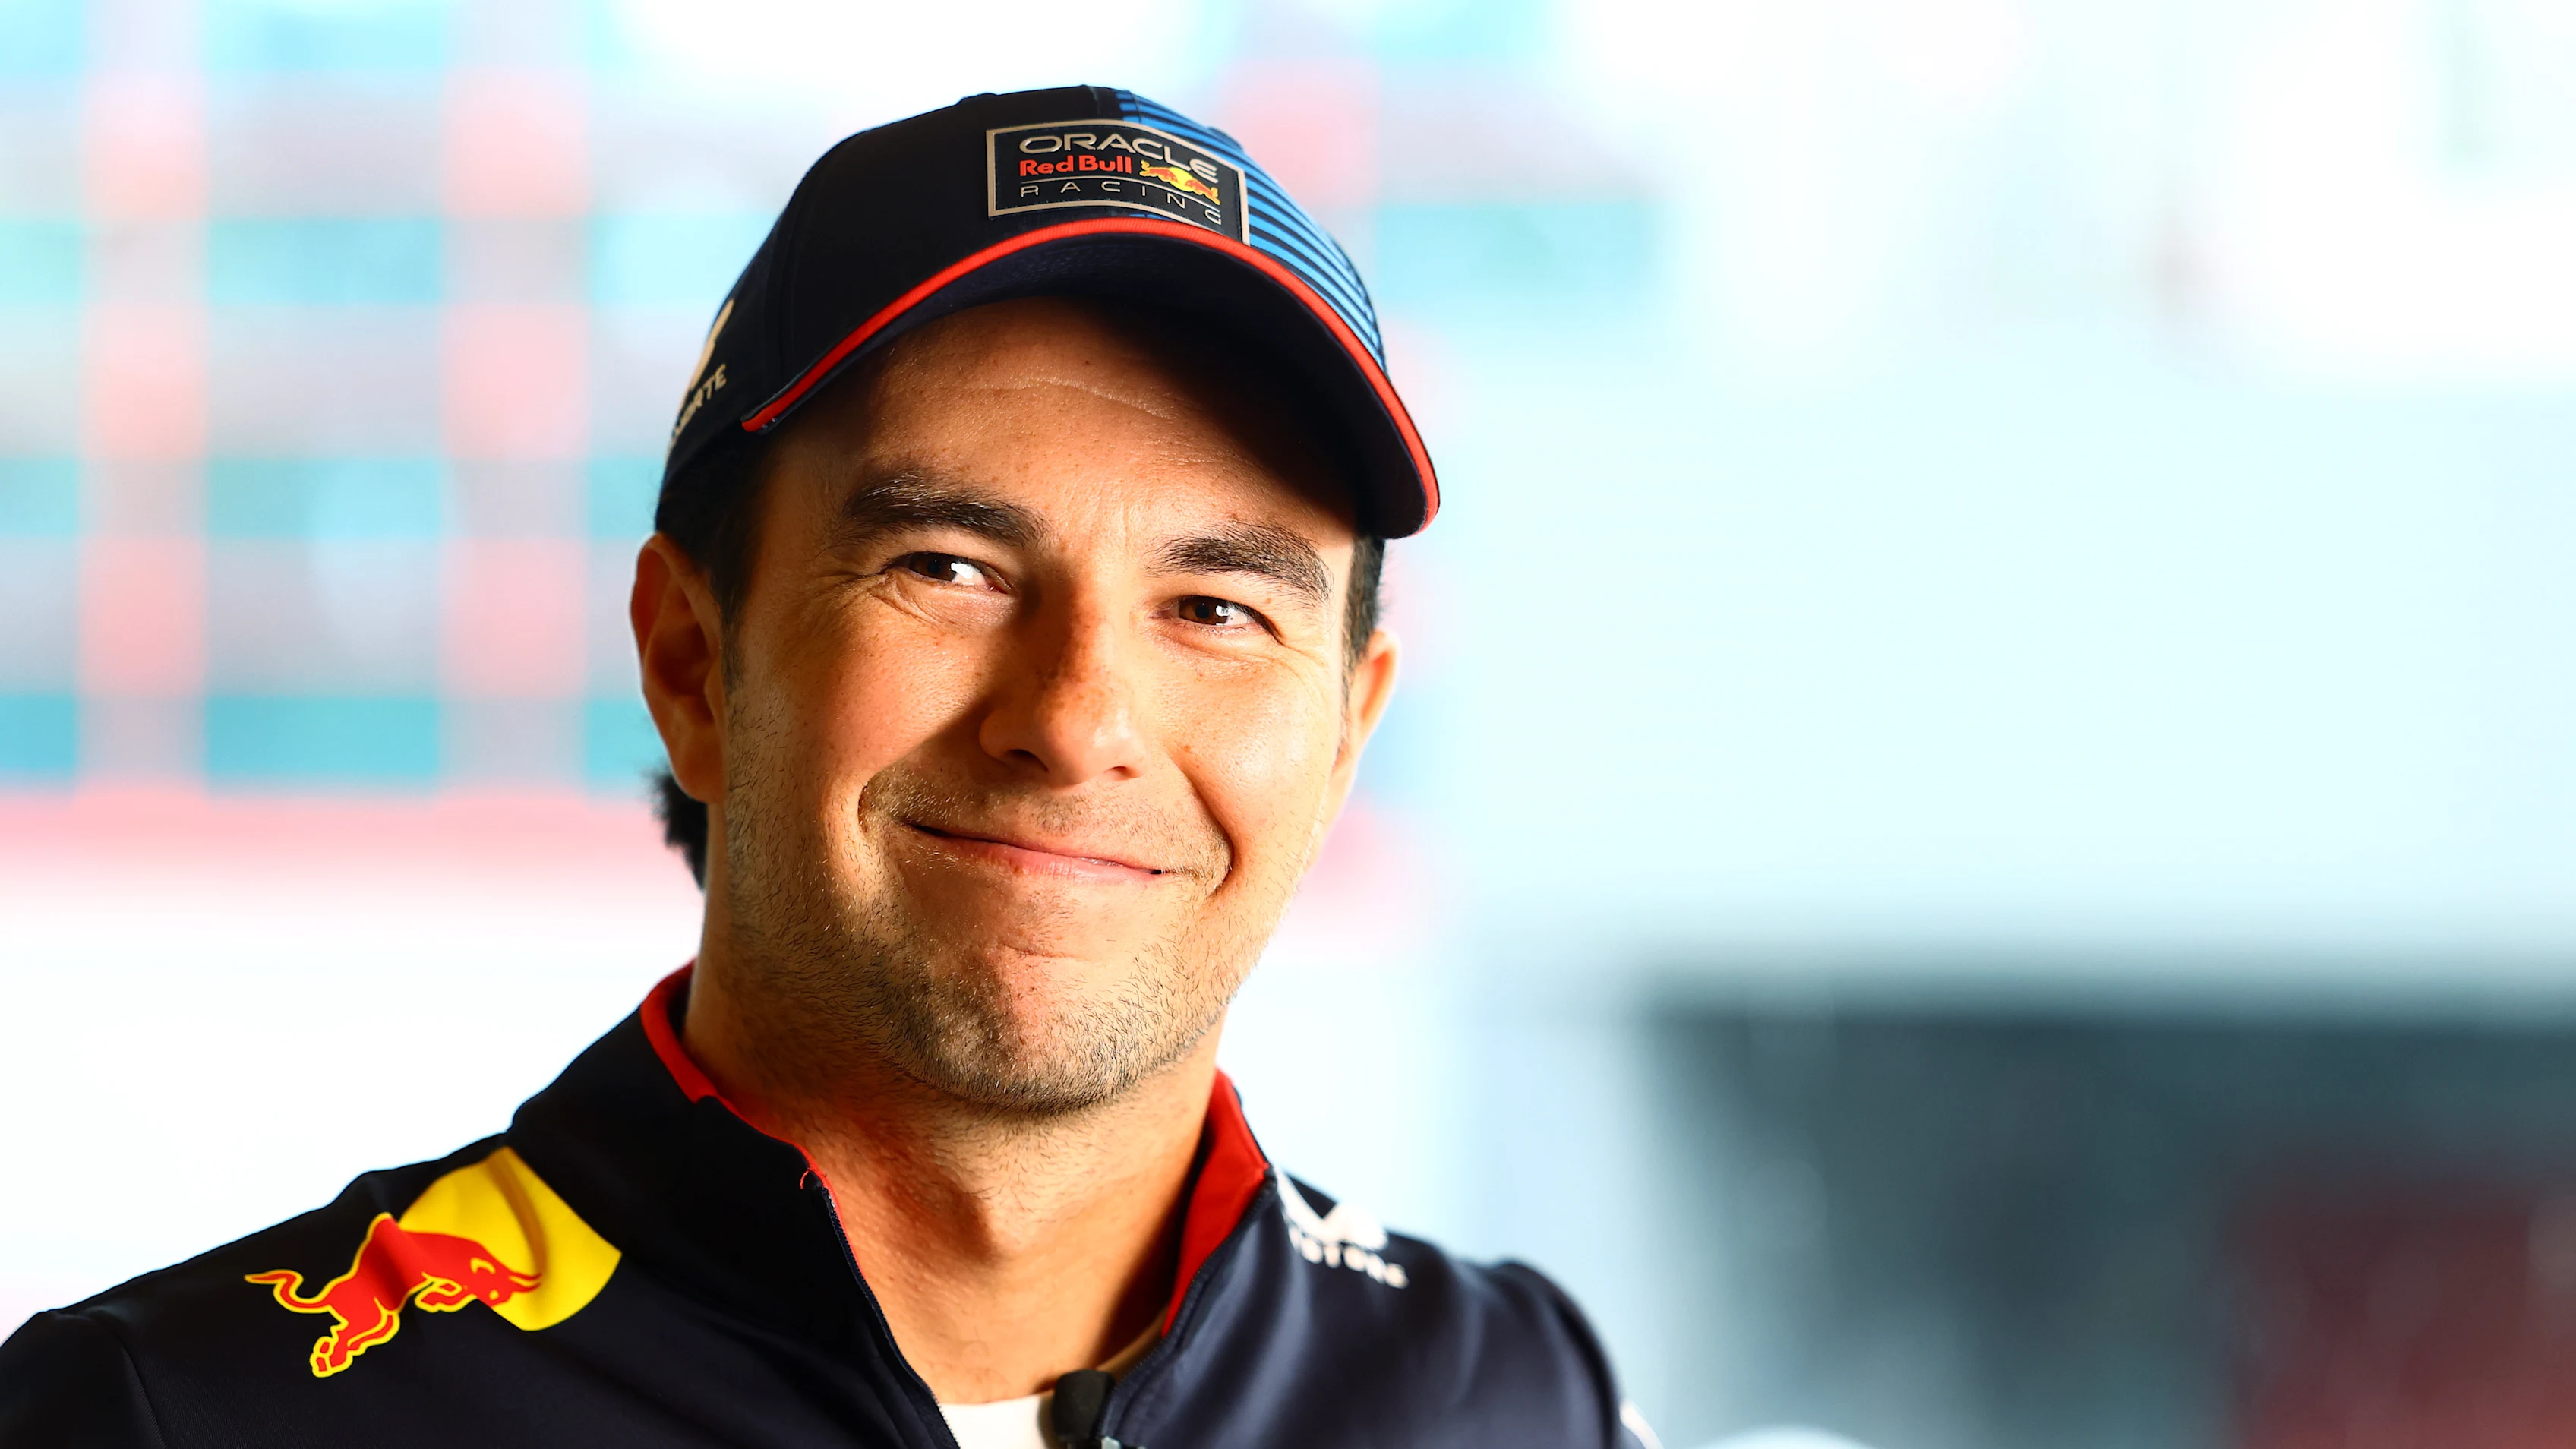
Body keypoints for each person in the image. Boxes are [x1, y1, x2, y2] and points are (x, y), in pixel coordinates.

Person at [0, 87, 1655, 1449]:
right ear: (691, 663)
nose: (1076, 721)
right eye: (948, 569)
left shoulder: (1512, 1405)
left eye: (1214, 607)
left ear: (1349, 727)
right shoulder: (175, 1419)